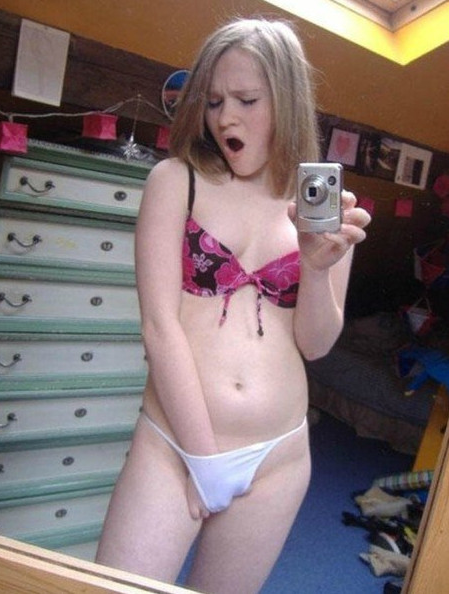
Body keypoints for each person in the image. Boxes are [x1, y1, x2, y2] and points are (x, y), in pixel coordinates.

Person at [96, 17, 371, 594]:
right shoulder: (177, 181)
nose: (225, 119)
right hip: (174, 444)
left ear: (287, 101)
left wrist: (316, 267)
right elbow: (159, 327)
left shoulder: (321, 205)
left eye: (247, 100)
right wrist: (203, 459)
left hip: (278, 458)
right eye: (215, 101)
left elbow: (316, 345)